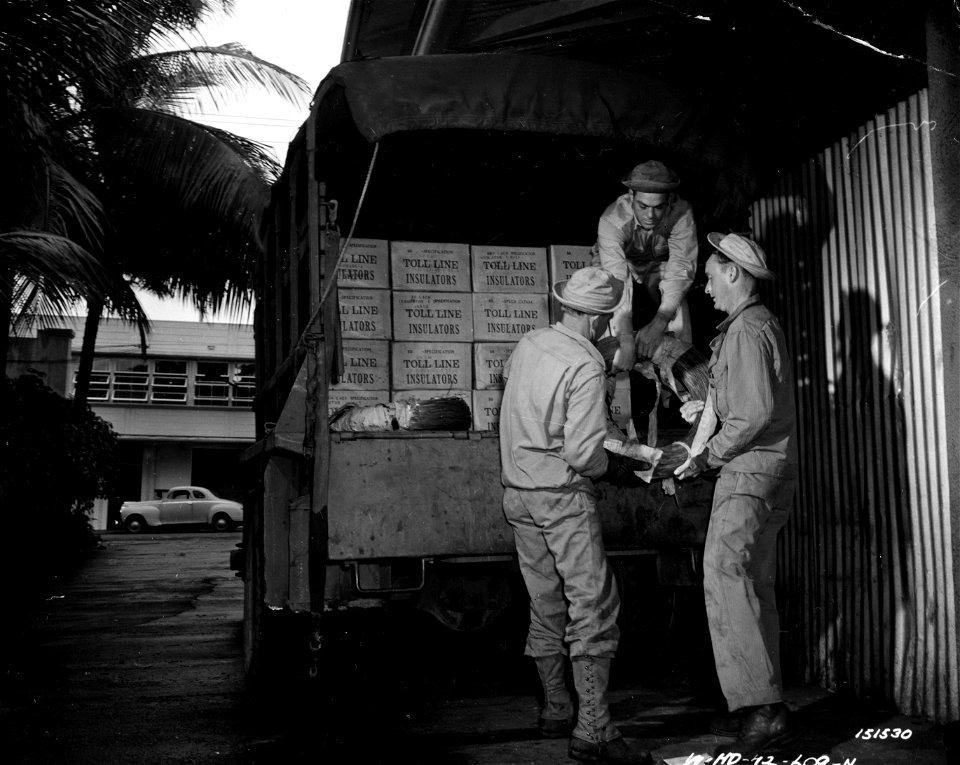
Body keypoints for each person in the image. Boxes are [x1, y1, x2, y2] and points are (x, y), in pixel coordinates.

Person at [499, 266, 652, 765]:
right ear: (598, 319)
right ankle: (595, 730)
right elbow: (585, 455)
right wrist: (625, 466)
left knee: (546, 602)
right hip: (562, 497)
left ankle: (555, 709)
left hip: (519, 493)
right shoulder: (585, 365)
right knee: (593, 605)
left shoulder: (531, 341)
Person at [675, 232, 798, 758]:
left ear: (733, 273)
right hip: (769, 471)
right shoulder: (756, 326)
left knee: (724, 578)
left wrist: (704, 457)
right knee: (753, 586)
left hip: (748, 474)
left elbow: (749, 416)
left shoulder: (746, 329)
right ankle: (767, 705)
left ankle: (763, 708)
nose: (705, 289)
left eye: (709, 276)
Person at [592, 160, 698, 437]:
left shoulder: (682, 213)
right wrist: (626, 340)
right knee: (602, 312)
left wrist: (660, 321)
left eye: (658, 207)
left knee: (679, 314)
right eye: (643, 206)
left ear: (670, 200)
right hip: (619, 267)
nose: (650, 215)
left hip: (658, 267)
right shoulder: (612, 219)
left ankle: (682, 398)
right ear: (631, 198)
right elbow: (618, 281)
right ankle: (601, 397)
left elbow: (680, 270)